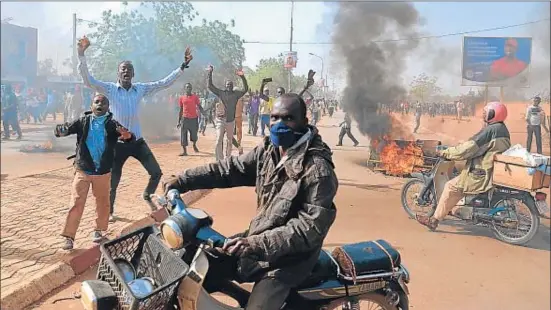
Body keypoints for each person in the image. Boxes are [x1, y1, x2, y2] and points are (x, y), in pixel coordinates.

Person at [162, 93, 338, 310]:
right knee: (193, 269)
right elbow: (228, 170)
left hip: (288, 262)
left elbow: (308, 229)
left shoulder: (318, 169)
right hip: (255, 242)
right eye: (274, 118)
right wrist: (183, 180)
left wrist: (254, 244)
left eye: (288, 118)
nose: (278, 124)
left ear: (304, 121)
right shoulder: (268, 151)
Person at [76, 36, 193, 220]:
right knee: (113, 182)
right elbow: (88, 80)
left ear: (133, 74)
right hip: (117, 144)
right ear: (118, 73)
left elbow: (163, 83)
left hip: (137, 141)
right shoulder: (109, 89)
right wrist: (81, 55)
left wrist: (182, 67)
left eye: (129, 70)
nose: (126, 72)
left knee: (156, 172)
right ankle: (110, 211)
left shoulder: (140, 89)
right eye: (123, 70)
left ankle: (147, 195)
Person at [55, 94, 134, 250]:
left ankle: (98, 231)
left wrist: (128, 136)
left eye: (103, 103)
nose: (100, 104)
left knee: (102, 204)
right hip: (83, 170)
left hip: (103, 172)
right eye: (97, 102)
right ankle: (69, 237)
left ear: (108, 107)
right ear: (91, 105)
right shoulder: (83, 121)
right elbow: (63, 130)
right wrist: (60, 130)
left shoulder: (112, 125)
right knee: (76, 203)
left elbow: (128, 136)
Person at [416, 101, 511, 230]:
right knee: (459, 175)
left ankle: (434, 220)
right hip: (491, 169)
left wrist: (446, 152)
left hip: (480, 173)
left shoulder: (490, 130)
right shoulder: (502, 129)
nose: (484, 116)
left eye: (486, 113)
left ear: (493, 114)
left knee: (451, 187)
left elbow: (467, 149)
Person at [207, 65, 249, 161]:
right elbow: (210, 86)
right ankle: (219, 160)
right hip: (221, 120)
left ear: (232, 86)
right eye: (227, 85)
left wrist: (242, 76)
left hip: (231, 121)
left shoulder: (236, 94)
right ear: (225, 86)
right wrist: (210, 72)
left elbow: (245, 89)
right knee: (218, 141)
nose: (229, 86)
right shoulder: (221, 93)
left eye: (230, 85)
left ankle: (227, 159)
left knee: (229, 141)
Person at [177, 83, 203, 156]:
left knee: (194, 135)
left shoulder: (195, 97)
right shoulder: (181, 98)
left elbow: (199, 106)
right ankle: (184, 151)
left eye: (190, 87)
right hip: (185, 118)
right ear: (185, 88)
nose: (188, 88)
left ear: (191, 88)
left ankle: (194, 145)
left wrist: (204, 113)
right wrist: (179, 121)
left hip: (194, 119)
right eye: (187, 87)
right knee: (183, 134)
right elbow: (181, 110)